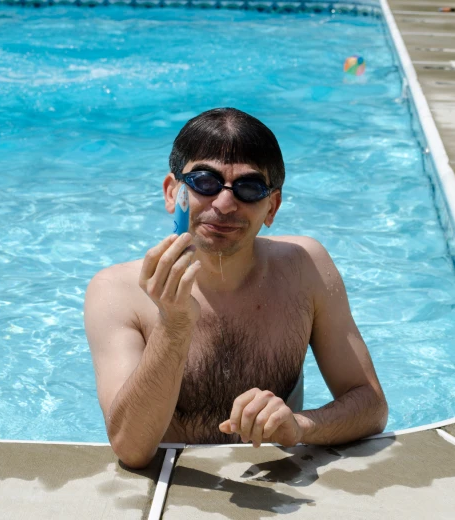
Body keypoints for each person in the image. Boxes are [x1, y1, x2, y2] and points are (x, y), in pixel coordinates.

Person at [84, 107, 388, 469]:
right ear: (172, 193)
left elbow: (370, 405)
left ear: (272, 207)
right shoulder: (117, 292)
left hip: (276, 482)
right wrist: (174, 325)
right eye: (204, 181)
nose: (225, 204)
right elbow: (131, 448)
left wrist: (301, 426)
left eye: (249, 187)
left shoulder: (306, 269)